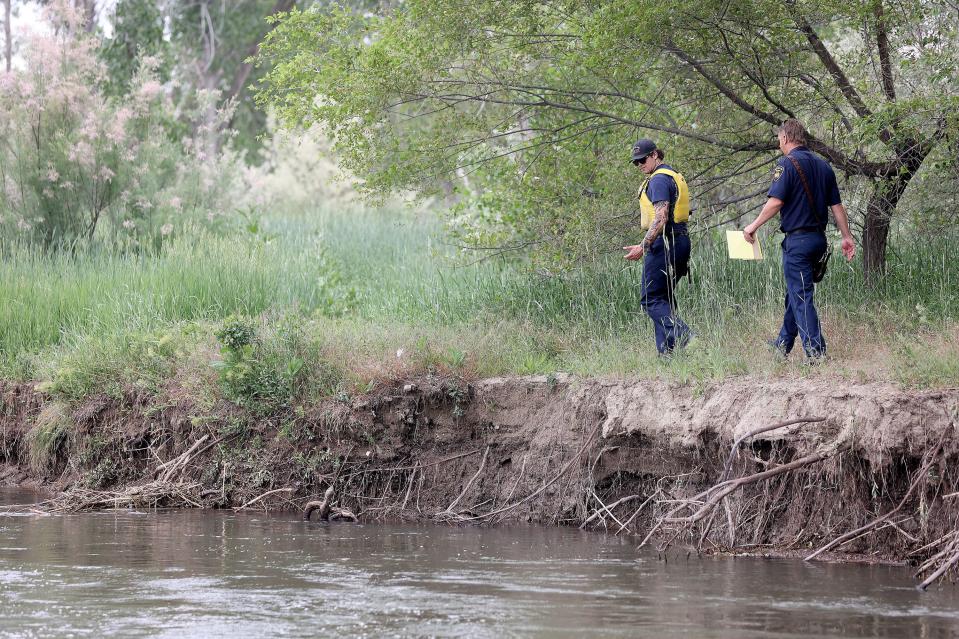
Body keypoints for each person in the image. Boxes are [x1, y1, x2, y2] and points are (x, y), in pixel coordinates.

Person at [743, 119, 856, 361]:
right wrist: (846, 237)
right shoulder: (824, 166)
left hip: (798, 242)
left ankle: (815, 353)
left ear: (784, 138)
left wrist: (752, 226)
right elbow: (837, 207)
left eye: (778, 139)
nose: (778, 143)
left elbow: (775, 201)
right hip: (819, 242)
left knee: (801, 296)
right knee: (796, 293)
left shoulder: (786, 164)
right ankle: (782, 345)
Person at [623, 138, 693, 355]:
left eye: (642, 159)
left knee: (650, 299)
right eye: (636, 162)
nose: (640, 165)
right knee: (664, 299)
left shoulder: (659, 180)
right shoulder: (673, 175)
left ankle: (685, 335)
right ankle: (667, 355)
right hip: (680, 241)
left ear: (655, 155)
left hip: (665, 244)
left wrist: (644, 246)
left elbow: (661, 217)